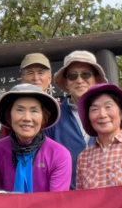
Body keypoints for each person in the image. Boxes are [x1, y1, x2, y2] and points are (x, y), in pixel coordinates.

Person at [0, 84, 71, 192]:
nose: (27, 118)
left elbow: (57, 203)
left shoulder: (58, 154)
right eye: (20, 110)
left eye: (34, 111)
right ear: (9, 115)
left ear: (43, 117)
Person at [45, 50, 107, 189]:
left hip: (106, 199)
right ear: (66, 83)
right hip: (65, 200)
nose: (79, 80)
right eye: (72, 76)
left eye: (86, 74)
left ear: (96, 79)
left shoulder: (110, 115)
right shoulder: (53, 116)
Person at [75, 83, 122, 190]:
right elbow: (81, 200)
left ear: (121, 114)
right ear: (88, 118)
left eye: (108, 107)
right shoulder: (84, 158)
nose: (102, 115)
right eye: (94, 109)